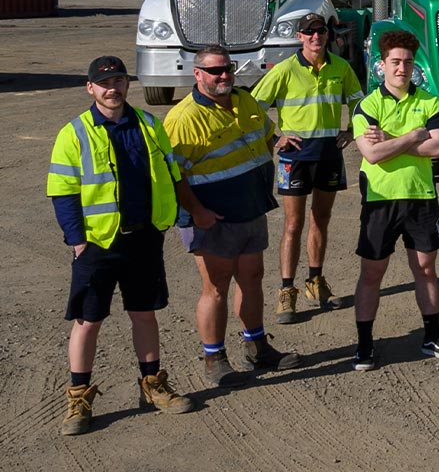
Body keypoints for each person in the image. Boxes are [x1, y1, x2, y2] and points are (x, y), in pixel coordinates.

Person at [48, 56, 201, 436]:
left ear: (127, 85)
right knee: (88, 321)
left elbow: (172, 173)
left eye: (118, 80)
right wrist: (77, 241)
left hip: (144, 238)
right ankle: (78, 397)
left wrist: (177, 217)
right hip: (98, 244)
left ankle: (152, 385)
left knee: (144, 314)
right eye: (104, 83)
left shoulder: (149, 125)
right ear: (90, 88)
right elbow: (63, 192)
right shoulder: (75, 133)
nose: (112, 88)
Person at [164, 45, 302, 387]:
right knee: (216, 286)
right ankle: (214, 359)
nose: (223, 75)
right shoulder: (183, 120)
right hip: (212, 218)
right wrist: (197, 212)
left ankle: (256, 348)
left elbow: (264, 135)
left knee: (252, 276)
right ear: (197, 74)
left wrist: (280, 140)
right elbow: (172, 175)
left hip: (251, 208)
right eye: (214, 71)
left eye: (228, 68)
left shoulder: (244, 100)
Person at [351, 31, 439, 371]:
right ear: (381, 65)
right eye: (395, 62)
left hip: (420, 197)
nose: (402, 68)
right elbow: (372, 154)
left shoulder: (429, 102)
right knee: (372, 273)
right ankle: (365, 345)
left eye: (408, 62)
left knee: (426, 269)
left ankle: (432, 336)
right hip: (380, 199)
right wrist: (414, 136)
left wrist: (393, 139)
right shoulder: (368, 105)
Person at [251, 13, 364, 323]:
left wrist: (353, 130)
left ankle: (315, 281)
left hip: (329, 153)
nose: (316, 37)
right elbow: (253, 107)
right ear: (299, 37)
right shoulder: (285, 70)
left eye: (321, 31)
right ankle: (287, 291)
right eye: (309, 32)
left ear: (328, 35)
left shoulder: (340, 68)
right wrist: (274, 136)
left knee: (321, 219)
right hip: (296, 157)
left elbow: (360, 102)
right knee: (292, 225)